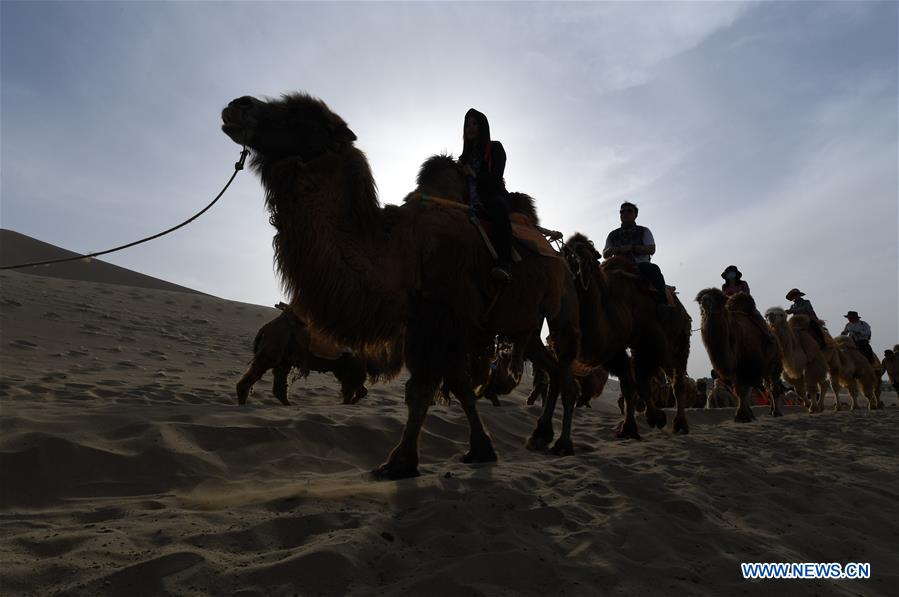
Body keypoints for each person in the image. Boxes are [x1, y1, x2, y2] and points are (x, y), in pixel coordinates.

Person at [460, 108, 513, 282]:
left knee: (499, 209)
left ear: (482, 126)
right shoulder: (463, 158)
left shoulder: (495, 148)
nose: (470, 127)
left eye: (474, 123)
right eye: (467, 124)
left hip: (490, 197)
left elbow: (496, 177)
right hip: (467, 201)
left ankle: (505, 263)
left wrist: (474, 174)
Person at [602, 201, 672, 319]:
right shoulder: (612, 235)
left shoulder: (644, 231)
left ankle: (662, 303)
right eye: (622, 212)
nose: (625, 213)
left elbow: (651, 249)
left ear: (635, 215)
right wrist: (614, 250)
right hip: (618, 266)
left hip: (639, 266)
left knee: (652, 269)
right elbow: (605, 254)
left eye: (629, 211)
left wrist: (632, 248)